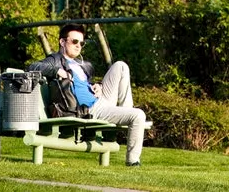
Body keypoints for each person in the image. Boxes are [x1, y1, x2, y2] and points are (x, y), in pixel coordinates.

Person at [30, 23, 149, 166]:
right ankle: (133, 161)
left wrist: (98, 85)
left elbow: (85, 84)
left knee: (121, 66)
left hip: (101, 99)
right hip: (91, 109)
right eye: (74, 41)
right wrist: (57, 71)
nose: (78, 45)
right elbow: (33, 67)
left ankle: (126, 112)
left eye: (81, 43)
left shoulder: (81, 64)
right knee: (139, 115)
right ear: (62, 42)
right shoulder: (55, 60)